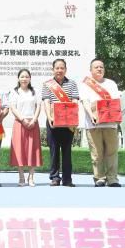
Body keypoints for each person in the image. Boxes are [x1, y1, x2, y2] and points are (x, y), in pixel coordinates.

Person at [80, 59, 121, 187]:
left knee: (112, 153)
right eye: (96, 67)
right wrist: (91, 114)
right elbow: (85, 101)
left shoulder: (111, 84)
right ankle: (99, 178)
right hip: (93, 124)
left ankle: (112, 179)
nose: (99, 69)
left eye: (101, 67)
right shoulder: (86, 85)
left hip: (110, 124)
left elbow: (115, 102)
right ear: (91, 70)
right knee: (96, 153)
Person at [41, 59, 80, 187]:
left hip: (68, 122)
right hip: (53, 121)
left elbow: (75, 101)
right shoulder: (48, 84)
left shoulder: (72, 84)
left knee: (67, 151)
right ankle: (55, 177)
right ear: (53, 70)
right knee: (54, 150)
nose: (59, 70)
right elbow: (46, 102)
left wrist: (73, 120)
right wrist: (49, 118)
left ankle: (67, 179)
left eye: (62, 68)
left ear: (65, 69)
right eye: (57, 68)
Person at [9, 69, 42, 187]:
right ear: (18, 78)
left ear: (30, 78)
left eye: (27, 77)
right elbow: (13, 108)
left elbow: (38, 107)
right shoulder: (14, 92)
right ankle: (21, 176)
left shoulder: (35, 91)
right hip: (19, 123)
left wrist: (34, 120)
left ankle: (31, 177)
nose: (24, 79)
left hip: (33, 123)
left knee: (33, 150)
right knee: (19, 150)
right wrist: (22, 120)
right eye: (22, 77)